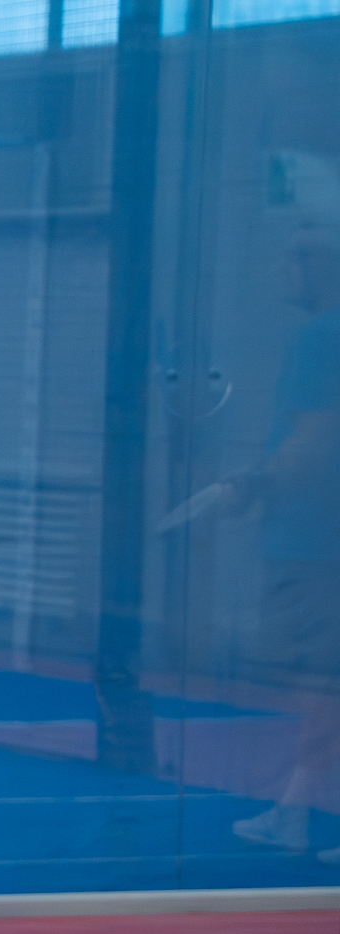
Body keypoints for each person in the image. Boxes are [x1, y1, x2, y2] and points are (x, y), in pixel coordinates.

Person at [219, 201, 340, 858]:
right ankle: (293, 811)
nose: (286, 266)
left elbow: (313, 438)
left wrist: (251, 484)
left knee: (322, 687)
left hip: (315, 547)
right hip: (313, 542)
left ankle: (292, 813)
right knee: (321, 688)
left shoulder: (322, 338)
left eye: (304, 256)